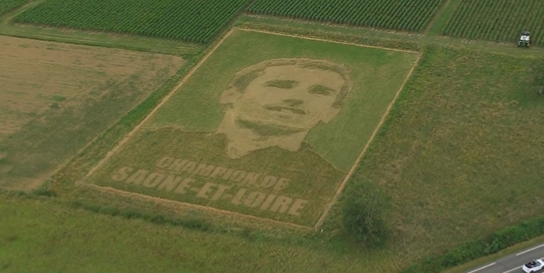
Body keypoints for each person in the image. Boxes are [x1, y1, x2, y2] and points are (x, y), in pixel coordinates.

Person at [216, 58, 353, 159]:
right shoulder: (194, 144)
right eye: (281, 84)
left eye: (320, 92)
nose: (298, 98)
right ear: (230, 95)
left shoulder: (326, 180)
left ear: (331, 112)